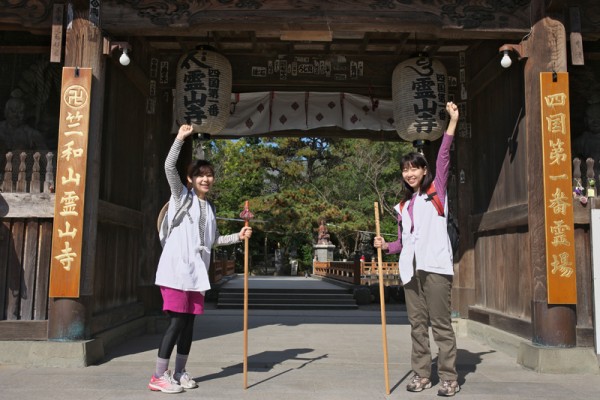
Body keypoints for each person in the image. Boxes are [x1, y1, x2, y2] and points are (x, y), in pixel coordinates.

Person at [149, 124, 252, 394]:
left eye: (209, 175)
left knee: (190, 324)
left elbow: (213, 241)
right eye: (200, 175)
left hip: (197, 274)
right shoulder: (181, 197)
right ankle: (159, 375)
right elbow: (169, 168)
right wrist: (180, 139)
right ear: (190, 180)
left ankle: (180, 371)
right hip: (175, 270)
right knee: (177, 322)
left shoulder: (211, 207)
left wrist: (238, 236)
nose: (206, 179)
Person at [374, 101, 460, 397]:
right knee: (417, 326)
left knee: (441, 325)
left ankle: (449, 377)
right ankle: (422, 374)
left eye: (414, 169)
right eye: (405, 170)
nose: (409, 174)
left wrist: (452, 122)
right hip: (410, 272)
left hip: (435, 267)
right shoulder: (403, 206)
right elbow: (403, 242)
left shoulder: (436, 193)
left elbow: (444, 158)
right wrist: (386, 246)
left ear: (424, 171)